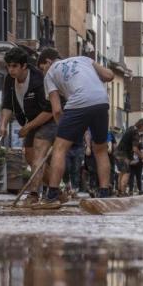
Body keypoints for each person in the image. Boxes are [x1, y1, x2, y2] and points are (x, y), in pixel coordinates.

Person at [35, 49, 116, 209]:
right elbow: (109, 76)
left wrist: (63, 130)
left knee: (60, 148)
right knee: (100, 149)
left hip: (78, 102)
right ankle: (104, 194)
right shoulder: (84, 59)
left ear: (49, 62)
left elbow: (57, 110)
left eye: (42, 68)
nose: (43, 72)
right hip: (101, 101)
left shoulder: (50, 74)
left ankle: (52, 196)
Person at [0, 47, 56, 206]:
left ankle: (33, 194)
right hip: (30, 122)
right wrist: (3, 125)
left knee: (38, 152)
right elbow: (7, 104)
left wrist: (28, 127)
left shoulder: (39, 79)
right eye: (8, 66)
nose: (11, 70)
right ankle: (58, 189)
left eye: (15, 66)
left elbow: (49, 110)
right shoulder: (10, 79)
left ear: (24, 66)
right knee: (31, 158)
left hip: (48, 120)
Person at [116, 118, 143, 196]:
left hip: (118, 152)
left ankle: (119, 191)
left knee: (122, 172)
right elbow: (135, 149)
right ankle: (123, 193)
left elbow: (135, 145)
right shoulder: (135, 132)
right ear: (142, 126)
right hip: (124, 154)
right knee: (127, 173)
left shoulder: (130, 128)